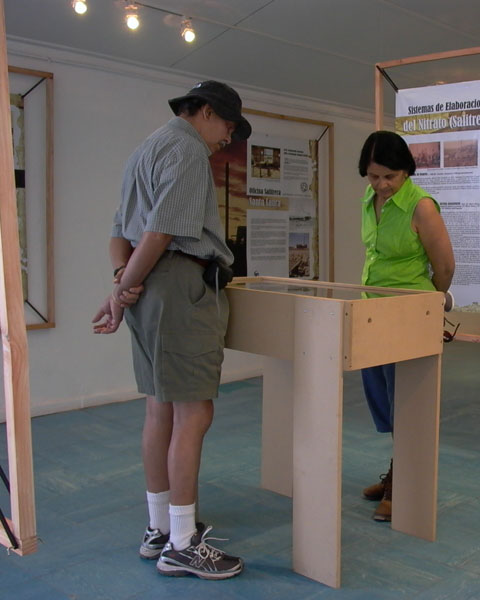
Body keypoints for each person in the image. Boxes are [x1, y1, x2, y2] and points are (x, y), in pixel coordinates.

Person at [92, 81, 251, 580]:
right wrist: (122, 293)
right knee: (193, 410)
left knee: (160, 406)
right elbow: (161, 232)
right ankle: (182, 544)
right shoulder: (186, 149)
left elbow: (121, 230)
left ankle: (160, 527)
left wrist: (123, 282)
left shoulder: (147, 148)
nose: (228, 135)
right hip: (180, 284)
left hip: (149, 287)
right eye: (227, 124)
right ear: (204, 112)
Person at [357, 131, 455, 522]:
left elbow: (445, 267)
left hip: (408, 316)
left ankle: (403, 484)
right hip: (371, 313)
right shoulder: (369, 200)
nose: (381, 185)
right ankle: (397, 471)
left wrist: (426, 309)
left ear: (406, 171)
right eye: (373, 176)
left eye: (389, 177)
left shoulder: (422, 207)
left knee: (407, 404)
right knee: (383, 402)